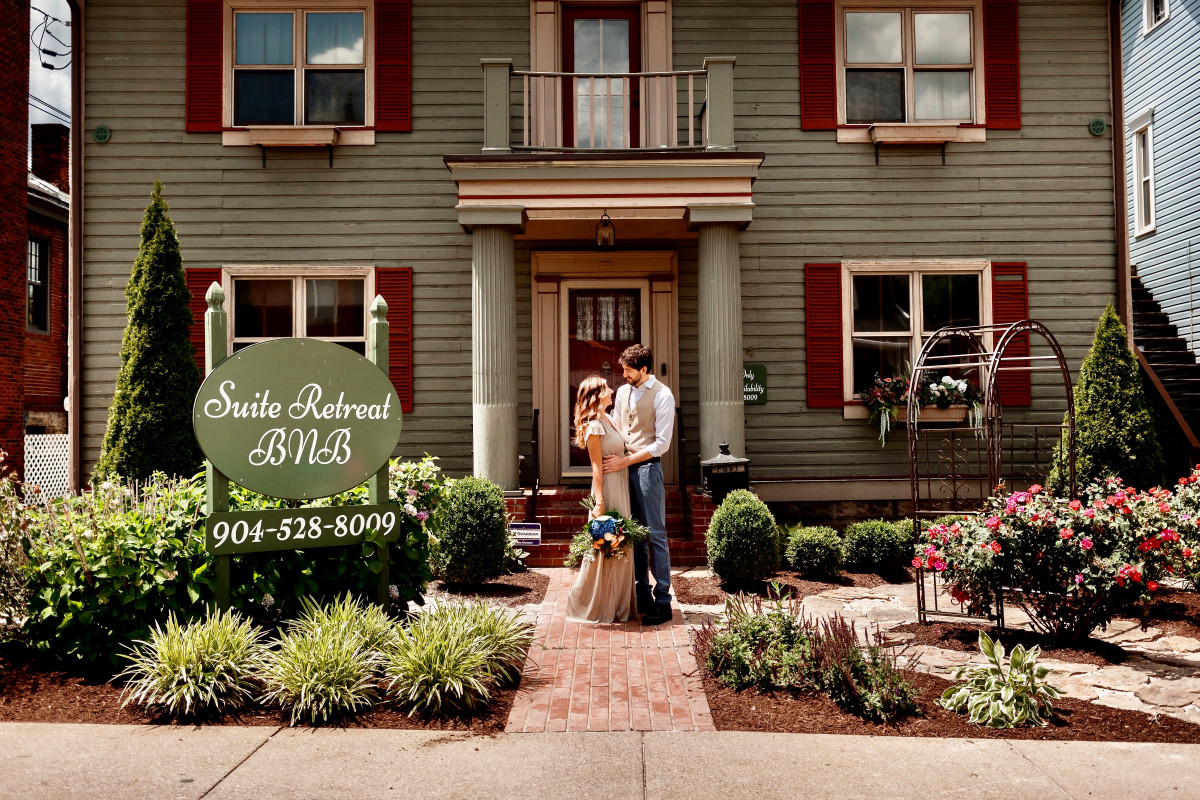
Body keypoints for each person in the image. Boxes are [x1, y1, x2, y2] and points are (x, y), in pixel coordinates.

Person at [604, 344, 675, 626]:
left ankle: (663, 602)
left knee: (654, 534)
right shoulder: (623, 392)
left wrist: (627, 461)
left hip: (647, 469)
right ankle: (641, 595)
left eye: (629, 370)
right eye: (623, 369)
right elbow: (621, 430)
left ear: (644, 369)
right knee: (633, 534)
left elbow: (662, 444)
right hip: (623, 470)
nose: (624, 375)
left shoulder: (663, 395)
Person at [564, 376, 638, 623]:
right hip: (608, 489)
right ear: (596, 396)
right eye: (606, 389)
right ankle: (598, 604)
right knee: (606, 546)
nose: (612, 391)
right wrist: (599, 502)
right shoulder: (594, 425)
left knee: (622, 543)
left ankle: (618, 604)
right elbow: (596, 468)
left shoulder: (608, 419)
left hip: (621, 485)